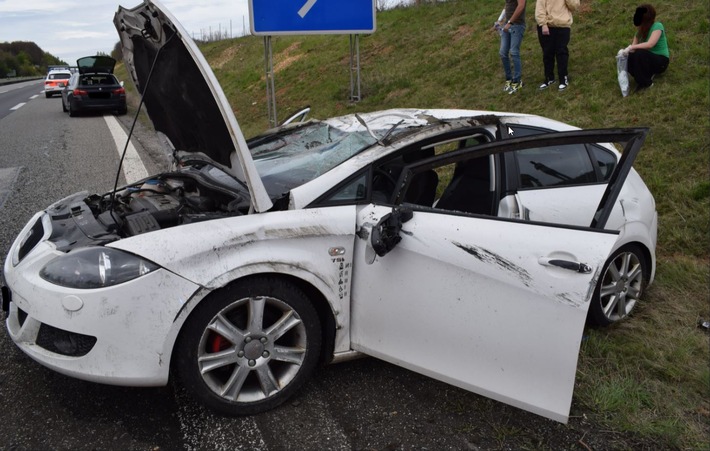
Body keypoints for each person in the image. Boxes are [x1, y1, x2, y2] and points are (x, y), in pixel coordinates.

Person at [534, 0, 579, 91]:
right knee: (547, 53)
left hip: (563, 26)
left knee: (561, 52)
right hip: (547, 26)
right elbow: (540, 9)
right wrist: (543, 24)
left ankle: (563, 79)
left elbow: (574, 6)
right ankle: (549, 78)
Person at [623, 4, 669, 91]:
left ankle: (647, 83)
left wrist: (631, 47)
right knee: (629, 57)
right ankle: (642, 77)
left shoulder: (658, 26)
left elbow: (650, 44)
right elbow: (633, 49)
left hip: (661, 61)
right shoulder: (639, 32)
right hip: (648, 60)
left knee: (640, 53)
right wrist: (624, 53)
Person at [495, 0, 527, 95]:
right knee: (503, 53)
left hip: (517, 25)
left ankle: (517, 81)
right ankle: (509, 79)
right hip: (507, 25)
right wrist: (500, 20)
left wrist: (510, 22)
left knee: (514, 52)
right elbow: (507, 5)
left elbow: (521, 6)